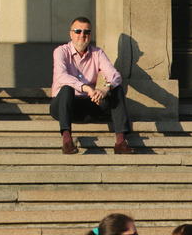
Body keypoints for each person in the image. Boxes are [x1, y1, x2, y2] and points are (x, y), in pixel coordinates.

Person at [50, 17, 134, 155]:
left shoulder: (97, 53)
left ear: (91, 35)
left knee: (116, 89)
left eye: (86, 32)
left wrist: (105, 88)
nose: (82, 35)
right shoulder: (61, 51)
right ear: (71, 34)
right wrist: (86, 88)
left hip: (89, 105)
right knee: (66, 88)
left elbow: (115, 75)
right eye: (78, 31)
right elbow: (61, 76)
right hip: (63, 107)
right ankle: (67, 141)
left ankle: (120, 142)